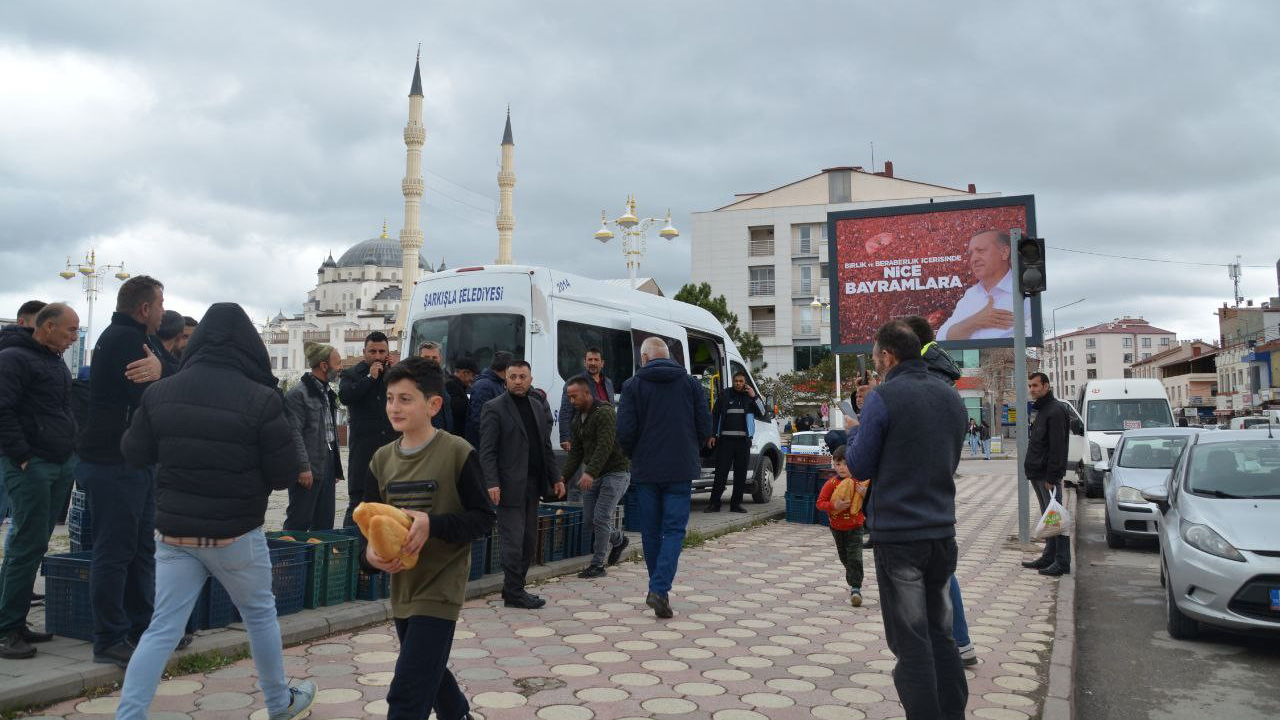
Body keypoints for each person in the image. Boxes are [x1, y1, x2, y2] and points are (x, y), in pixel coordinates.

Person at [115, 303, 317, 720]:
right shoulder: (262, 398)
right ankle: (279, 703)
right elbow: (283, 474)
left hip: (175, 535)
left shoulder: (161, 392)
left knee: (162, 628)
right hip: (235, 534)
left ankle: (129, 715)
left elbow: (134, 454)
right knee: (259, 617)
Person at [845, 319, 968, 719]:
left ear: (888, 356)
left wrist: (854, 431)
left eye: (875, 358)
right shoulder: (951, 396)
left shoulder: (884, 397)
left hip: (899, 537)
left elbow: (859, 465)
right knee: (941, 636)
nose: (875, 365)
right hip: (941, 532)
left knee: (911, 643)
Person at [360, 357, 495, 719]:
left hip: (441, 587)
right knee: (428, 672)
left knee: (407, 692)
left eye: (405, 399)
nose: (394, 407)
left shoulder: (457, 453)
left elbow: (484, 519)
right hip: (403, 588)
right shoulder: (380, 461)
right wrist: (369, 556)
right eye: (390, 398)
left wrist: (431, 525)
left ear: (433, 405)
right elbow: (365, 524)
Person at [77, 275, 169, 668]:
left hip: (135, 461)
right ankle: (109, 636)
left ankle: (140, 625)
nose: (164, 312)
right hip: (115, 462)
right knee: (114, 551)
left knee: (140, 548)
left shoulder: (141, 340)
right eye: (160, 304)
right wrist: (163, 374)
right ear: (145, 308)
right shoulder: (126, 341)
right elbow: (153, 396)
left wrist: (163, 370)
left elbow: (170, 375)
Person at [0, 303, 80, 659]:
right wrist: (22, 454)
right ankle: (7, 629)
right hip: (31, 464)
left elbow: (59, 409)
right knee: (26, 544)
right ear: (47, 327)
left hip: (58, 462)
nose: (73, 337)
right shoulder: (14, 358)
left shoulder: (54, 362)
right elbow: (3, 409)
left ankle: (14, 621)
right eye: (70, 330)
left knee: (34, 543)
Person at [901, 313, 979, 665]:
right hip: (935, 487)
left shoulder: (926, 379)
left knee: (936, 571)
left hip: (920, 491)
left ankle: (952, 644)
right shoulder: (940, 377)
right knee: (939, 569)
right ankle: (956, 642)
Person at [616, 337, 711, 620]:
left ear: (644, 358)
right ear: (668, 356)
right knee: (674, 530)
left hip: (646, 470)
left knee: (650, 531)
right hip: (680, 469)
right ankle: (659, 589)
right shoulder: (691, 384)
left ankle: (657, 588)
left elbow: (624, 432)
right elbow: (705, 426)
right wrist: (690, 449)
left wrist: (636, 454)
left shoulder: (632, 386)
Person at [478, 360, 563, 609]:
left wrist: (556, 478)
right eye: (513, 376)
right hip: (507, 486)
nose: (517, 381)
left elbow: (545, 447)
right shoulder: (494, 408)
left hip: (533, 484)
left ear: (530, 379)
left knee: (528, 541)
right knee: (513, 541)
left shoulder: (536, 406)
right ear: (505, 379)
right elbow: (487, 451)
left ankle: (514, 588)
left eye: (522, 377)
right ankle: (514, 592)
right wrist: (491, 482)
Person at [561, 376, 630, 579]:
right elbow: (576, 453)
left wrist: (589, 472)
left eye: (574, 396)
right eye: (569, 397)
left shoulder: (605, 413)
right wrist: (562, 477)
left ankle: (598, 565)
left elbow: (604, 446)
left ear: (587, 393)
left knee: (601, 517)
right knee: (590, 521)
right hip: (595, 474)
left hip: (616, 472)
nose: (571, 401)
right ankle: (619, 540)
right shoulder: (577, 420)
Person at [338, 331, 396, 527]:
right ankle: (350, 541)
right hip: (364, 450)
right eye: (373, 351)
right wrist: (370, 378)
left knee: (390, 501)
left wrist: (393, 373)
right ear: (364, 352)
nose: (378, 356)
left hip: (391, 448)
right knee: (359, 503)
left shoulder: (394, 375)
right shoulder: (352, 374)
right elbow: (345, 396)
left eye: (382, 351)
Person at [283, 341, 343, 531]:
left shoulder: (327, 392)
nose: (340, 368)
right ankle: (290, 552)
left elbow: (330, 433)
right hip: (308, 466)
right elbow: (294, 434)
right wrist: (303, 468)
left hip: (327, 464)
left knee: (325, 524)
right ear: (324, 366)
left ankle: (318, 553)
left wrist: (335, 468)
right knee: (298, 522)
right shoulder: (298, 394)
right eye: (338, 363)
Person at [0, 301, 48, 529]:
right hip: (13, 450)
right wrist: (22, 453)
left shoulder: (44, 356)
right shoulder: (12, 356)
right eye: (41, 323)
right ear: (22, 322)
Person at [937, 230, 1032, 341]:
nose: (974, 259)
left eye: (980, 250)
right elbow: (941, 338)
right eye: (971, 253)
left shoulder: (1025, 292)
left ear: (1004, 253)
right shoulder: (971, 295)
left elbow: (1030, 339)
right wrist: (975, 322)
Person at [1022, 372, 1071, 576]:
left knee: (1055, 518)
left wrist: (1052, 477)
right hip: (1037, 472)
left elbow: (1058, 447)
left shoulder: (1055, 410)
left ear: (1046, 386)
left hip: (1047, 475)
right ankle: (1049, 556)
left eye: (1035, 385)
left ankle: (1062, 561)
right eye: (1030, 386)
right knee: (1048, 516)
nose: (1031, 389)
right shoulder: (1042, 409)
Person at [706, 371, 766, 513]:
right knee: (721, 474)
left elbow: (763, 413)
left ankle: (736, 505)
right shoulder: (724, 394)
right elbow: (715, 415)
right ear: (733, 382)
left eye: (741, 381)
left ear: (745, 383)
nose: (738, 383)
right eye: (736, 381)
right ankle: (714, 504)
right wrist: (712, 435)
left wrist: (754, 396)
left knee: (741, 475)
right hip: (725, 441)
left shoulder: (750, 397)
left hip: (743, 442)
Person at [815, 446, 867, 607]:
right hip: (837, 528)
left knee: (855, 557)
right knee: (845, 557)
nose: (842, 468)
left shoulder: (860, 482)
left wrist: (865, 494)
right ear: (834, 465)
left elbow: (872, 501)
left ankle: (856, 588)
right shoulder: (831, 484)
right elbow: (820, 503)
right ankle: (853, 576)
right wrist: (833, 505)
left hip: (856, 527)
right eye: (838, 464)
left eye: (846, 464)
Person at [557, 347, 616, 452]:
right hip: (584, 440)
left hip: (606, 439)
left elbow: (611, 409)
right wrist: (565, 438)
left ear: (602, 363)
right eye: (590, 360)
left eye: (596, 360)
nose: (593, 363)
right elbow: (565, 412)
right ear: (585, 363)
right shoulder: (574, 382)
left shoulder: (608, 383)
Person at [465, 351, 512, 445]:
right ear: (507, 369)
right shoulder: (484, 386)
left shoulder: (497, 383)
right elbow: (479, 420)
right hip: (483, 445)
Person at [417, 342, 454, 433]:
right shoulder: (413, 381)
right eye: (426, 357)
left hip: (442, 436)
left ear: (440, 358)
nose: (431, 361)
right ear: (418, 358)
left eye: (434, 358)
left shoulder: (443, 379)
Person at [445, 357, 477, 434]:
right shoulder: (451, 386)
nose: (472, 379)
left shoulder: (460, 387)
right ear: (464, 373)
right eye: (472, 375)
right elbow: (459, 409)